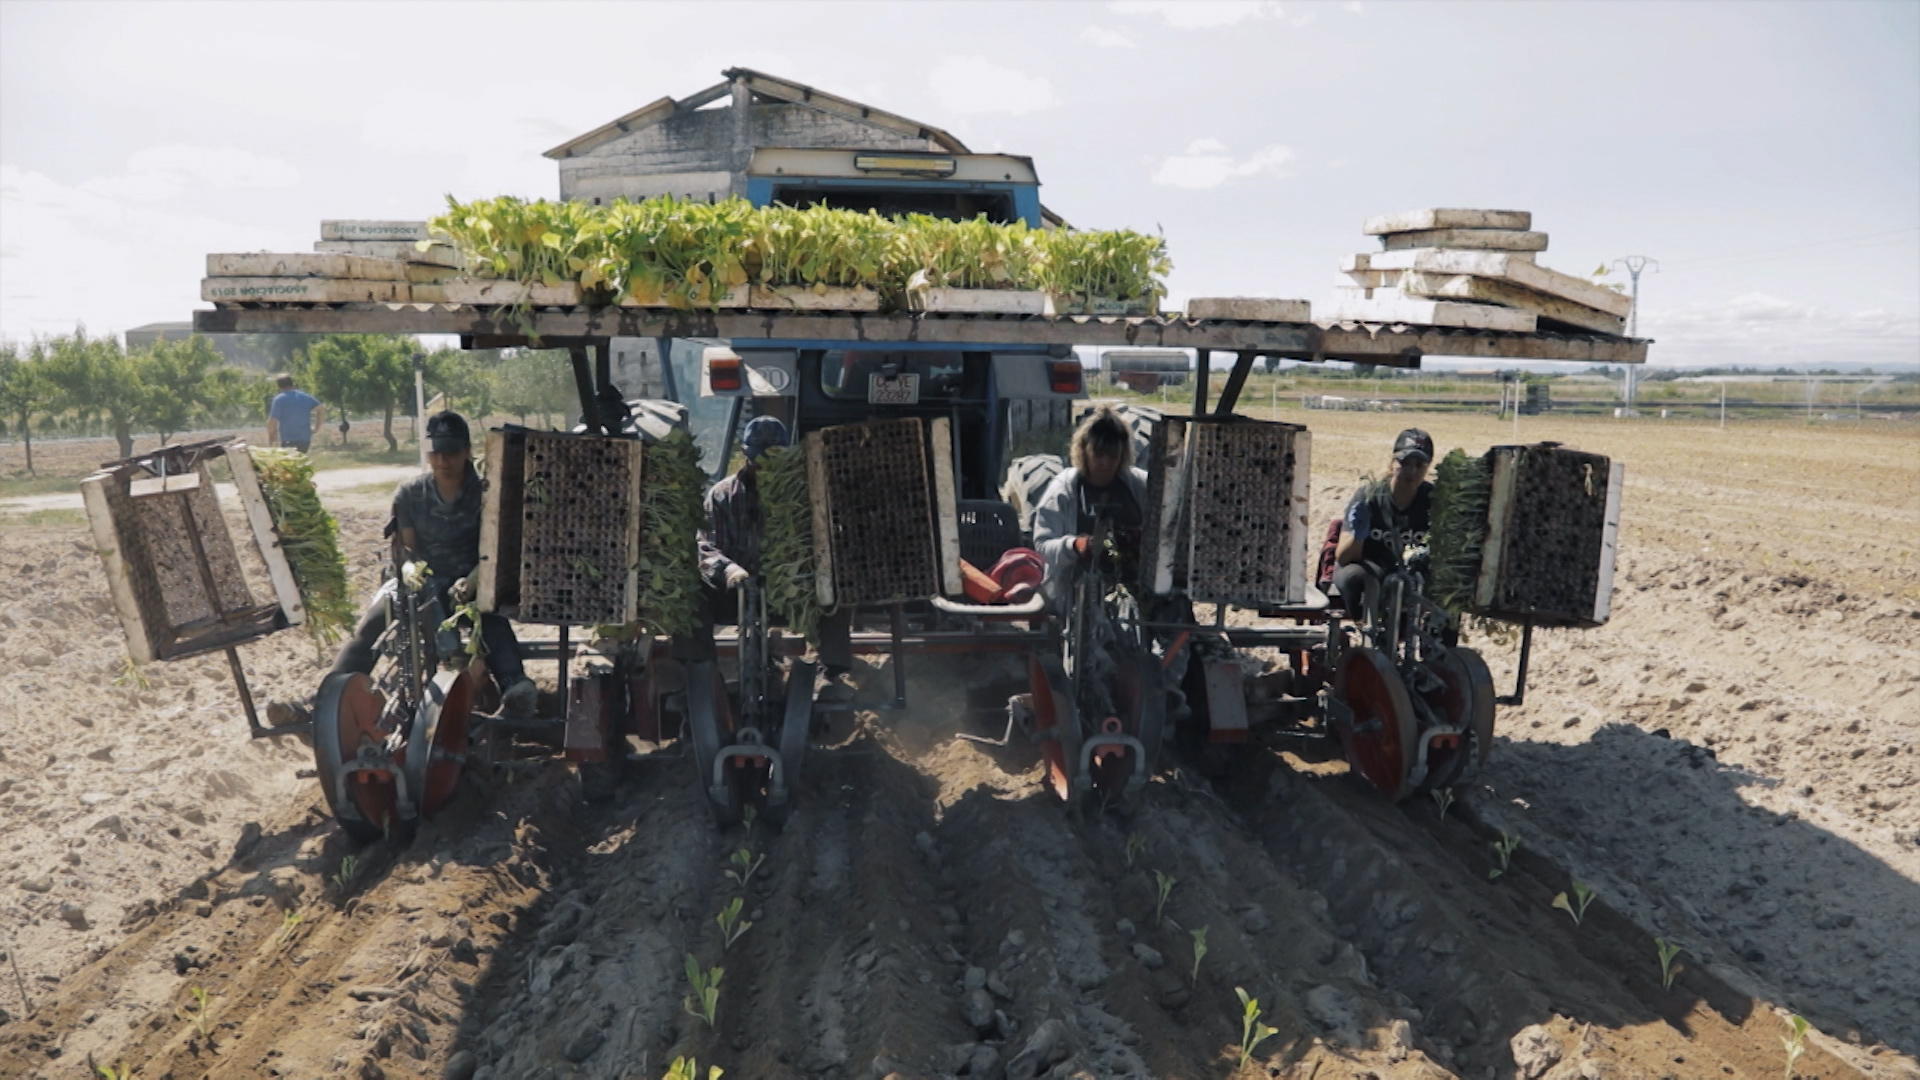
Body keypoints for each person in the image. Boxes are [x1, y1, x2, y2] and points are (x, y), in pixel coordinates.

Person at [330, 411, 537, 718]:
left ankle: (514, 685)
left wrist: (473, 580)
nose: (442, 460)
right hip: (423, 581)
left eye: (450, 451)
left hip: (473, 581)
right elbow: (408, 550)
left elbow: (498, 549)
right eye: (435, 452)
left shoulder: (487, 494)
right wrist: (416, 576)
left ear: (467, 451)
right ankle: (331, 693)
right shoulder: (410, 494)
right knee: (375, 620)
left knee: (489, 617)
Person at [696, 416, 856, 699]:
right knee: (693, 593)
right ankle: (700, 673)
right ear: (745, 454)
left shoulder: (805, 492)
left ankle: (831, 674)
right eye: (758, 459)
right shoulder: (722, 495)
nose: (764, 466)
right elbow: (706, 547)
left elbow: (831, 537)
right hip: (735, 592)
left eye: (773, 457)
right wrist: (729, 570)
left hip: (790, 595)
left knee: (836, 586)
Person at [1031, 405, 1150, 613]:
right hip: (1074, 594)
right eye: (1098, 454)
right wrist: (1075, 546)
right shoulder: (1063, 490)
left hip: (1134, 590)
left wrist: (1139, 538)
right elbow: (1043, 546)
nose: (1105, 463)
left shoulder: (1140, 486)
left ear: (1123, 455)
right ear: (1084, 451)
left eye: (1112, 456)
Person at [1333, 427, 1435, 623]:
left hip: (1411, 570)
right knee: (1357, 578)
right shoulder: (1369, 496)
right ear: (1392, 462)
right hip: (1369, 565)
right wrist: (1358, 536)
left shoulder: (1433, 500)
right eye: (1404, 463)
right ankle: (1366, 629)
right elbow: (1344, 557)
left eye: (1419, 465)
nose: (1411, 471)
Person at [266, 374, 324, 454]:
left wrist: (272, 437)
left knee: (289, 461)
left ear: (279, 386)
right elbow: (321, 409)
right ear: (292, 383)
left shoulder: (279, 399)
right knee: (301, 459)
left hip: (288, 440)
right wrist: (316, 428)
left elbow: (272, 421)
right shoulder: (304, 397)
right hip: (305, 439)